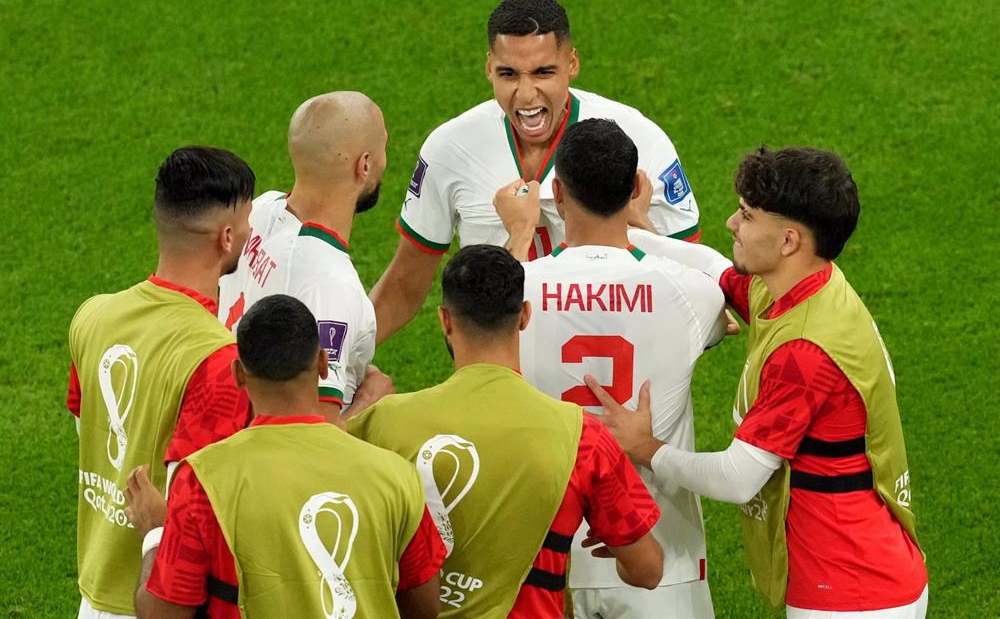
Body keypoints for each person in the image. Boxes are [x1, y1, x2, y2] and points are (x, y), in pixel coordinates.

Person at [591, 147, 929, 617]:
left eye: (747, 216)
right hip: (873, 566)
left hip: (847, 591)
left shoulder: (804, 353)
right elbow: (716, 271)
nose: (731, 222)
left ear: (789, 240)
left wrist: (643, 447)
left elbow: (737, 477)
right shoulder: (809, 285)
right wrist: (624, 235)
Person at [349, 244, 664, 619]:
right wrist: (620, 551)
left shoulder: (383, 422)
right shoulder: (582, 437)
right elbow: (647, 569)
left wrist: (357, 409)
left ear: (445, 320)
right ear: (525, 316)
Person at [371, 0, 702, 343]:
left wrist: (638, 225)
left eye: (543, 72)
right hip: (507, 379)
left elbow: (695, 285)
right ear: (488, 69)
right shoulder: (449, 149)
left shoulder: (639, 141)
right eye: (508, 74)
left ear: (572, 63)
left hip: (618, 379)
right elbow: (405, 285)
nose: (526, 95)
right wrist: (337, 364)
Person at [503, 119, 726, 618]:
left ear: (557, 194)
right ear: (633, 190)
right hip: (660, 552)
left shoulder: (521, 290)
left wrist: (519, 233)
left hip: (545, 555)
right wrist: (644, 228)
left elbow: (475, 335)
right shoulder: (692, 293)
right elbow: (716, 316)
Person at [126, 294, 445, 619]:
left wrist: (155, 532)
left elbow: (162, 614)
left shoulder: (202, 480)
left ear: (238, 374)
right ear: (323, 364)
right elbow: (424, 607)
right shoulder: (396, 476)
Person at [67, 146, 256, 618]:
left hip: (95, 594)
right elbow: (194, 510)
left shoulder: (93, 315)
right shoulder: (217, 358)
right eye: (249, 220)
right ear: (227, 236)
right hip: (157, 599)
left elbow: (86, 425)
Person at [218, 91, 393, 417]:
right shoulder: (329, 284)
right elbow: (311, 437)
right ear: (364, 165)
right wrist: (371, 403)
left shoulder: (256, 213)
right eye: (384, 146)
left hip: (229, 426)